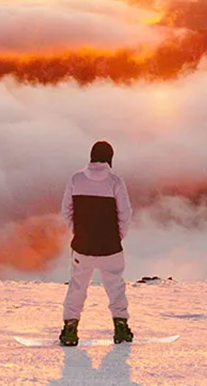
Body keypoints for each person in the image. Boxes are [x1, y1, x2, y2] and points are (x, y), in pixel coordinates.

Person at [59, 140, 134, 346]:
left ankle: (70, 329)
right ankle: (121, 328)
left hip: (82, 246)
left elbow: (66, 210)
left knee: (77, 287)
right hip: (110, 246)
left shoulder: (76, 179)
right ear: (110, 158)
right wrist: (117, 236)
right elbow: (125, 214)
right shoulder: (115, 182)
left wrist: (78, 231)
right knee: (115, 287)